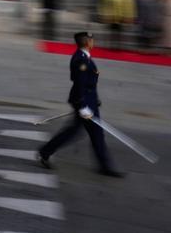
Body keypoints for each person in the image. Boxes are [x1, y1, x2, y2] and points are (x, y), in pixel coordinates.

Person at [38, 31, 122, 177]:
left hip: (89, 101)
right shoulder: (81, 59)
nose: (93, 42)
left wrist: (95, 98)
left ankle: (45, 151)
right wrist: (83, 106)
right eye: (91, 40)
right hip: (84, 103)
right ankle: (105, 166)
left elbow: (88, 82)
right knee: (90, 133)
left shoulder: (84, 56)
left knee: (84, 132)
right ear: (87, 42)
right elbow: (80, 84)